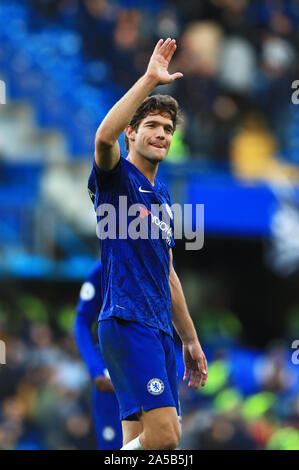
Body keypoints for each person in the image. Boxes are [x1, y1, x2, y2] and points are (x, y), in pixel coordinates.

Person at [87, 37, 208, 450]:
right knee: (166, 438)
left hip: (158, 331)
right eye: (152, 126)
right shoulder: (117, 179)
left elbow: (168, 272)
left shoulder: (163, 199)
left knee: (141, 441)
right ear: (131, 134)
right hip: (127, 322)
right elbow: (103, 138)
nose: (162, 134)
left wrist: (189, 338)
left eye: (168, 129)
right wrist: (149, 80)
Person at [74, 261, 122, 450]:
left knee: (163, 443)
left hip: (152, 373)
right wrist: (97, 371)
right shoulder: (103, 268)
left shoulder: (163, 263)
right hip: (112, 376)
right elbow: (81, 321)